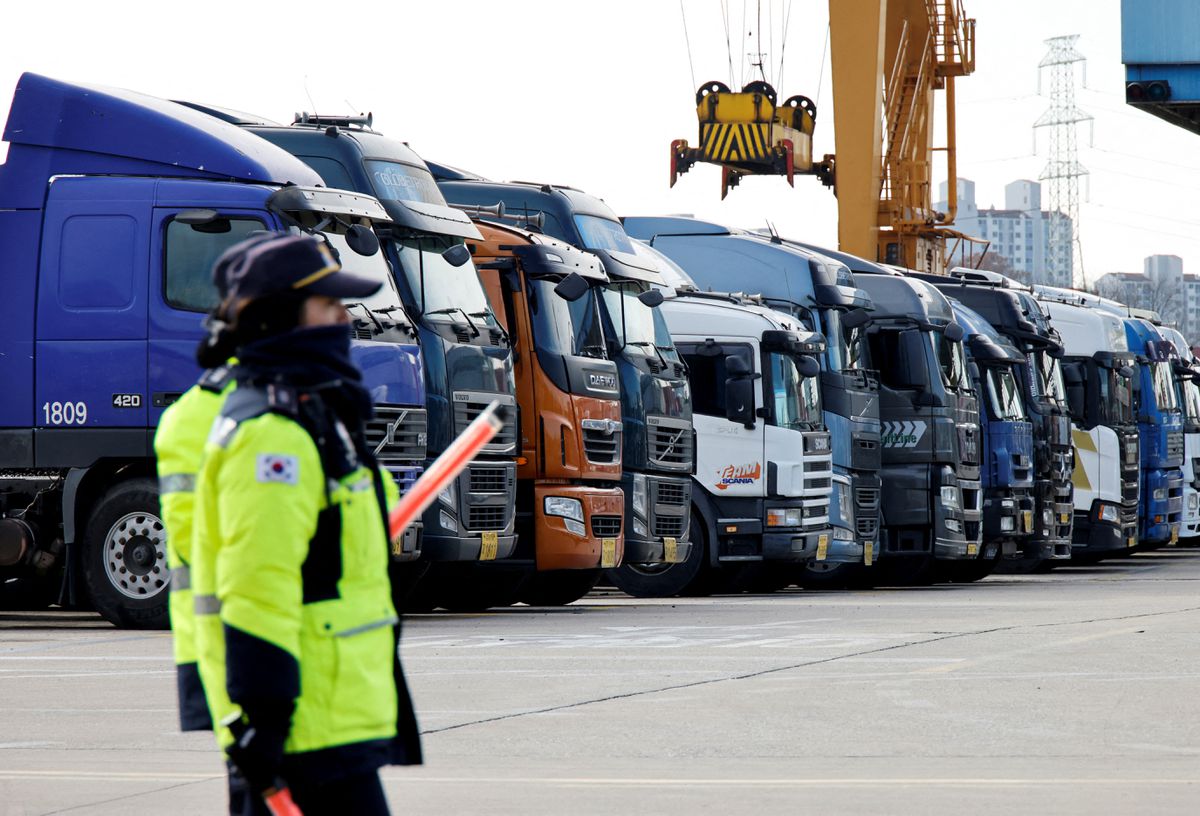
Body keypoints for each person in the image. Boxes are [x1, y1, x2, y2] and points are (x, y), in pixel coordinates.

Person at [190, 233, 422, 815]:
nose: (346, 319)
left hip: (330, 723)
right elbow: (258, 586)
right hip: (302, 735)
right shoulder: (274, 435)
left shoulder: (316, 414)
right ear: (281, 318)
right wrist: (265, 725)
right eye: (330, 306)